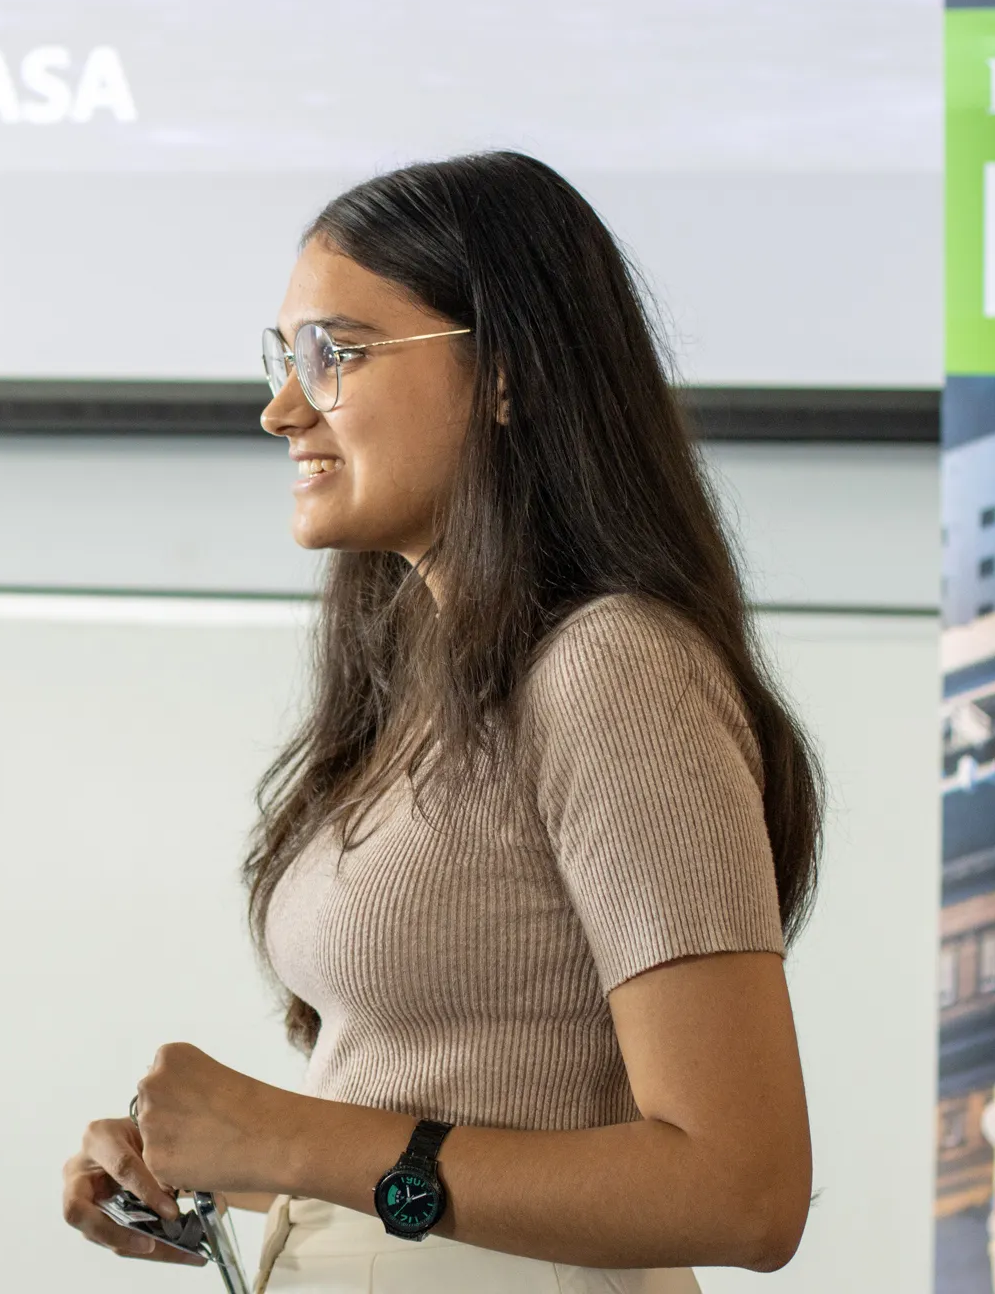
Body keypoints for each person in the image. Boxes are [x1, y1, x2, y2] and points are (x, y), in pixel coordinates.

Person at [59, 152, 821, 1290]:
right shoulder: (429, 679)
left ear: (507, 375)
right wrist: (213, 1165)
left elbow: (741, 1192)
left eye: (335, 354)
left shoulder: (614, 669)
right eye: (284, 358)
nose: (280, 410)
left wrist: (289, 1136)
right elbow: (461, 1138)